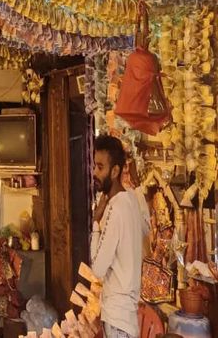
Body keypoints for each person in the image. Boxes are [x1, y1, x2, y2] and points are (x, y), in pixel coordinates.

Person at [90, 135, 144, 338]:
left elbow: (97, 268)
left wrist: (96, 222)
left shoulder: (115, 208)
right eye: (95, 166)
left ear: (115, 171)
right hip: (127, 317)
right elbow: (145, 227)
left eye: (100, 167)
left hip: (117, 318)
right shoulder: (130, 198)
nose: (95, 172)